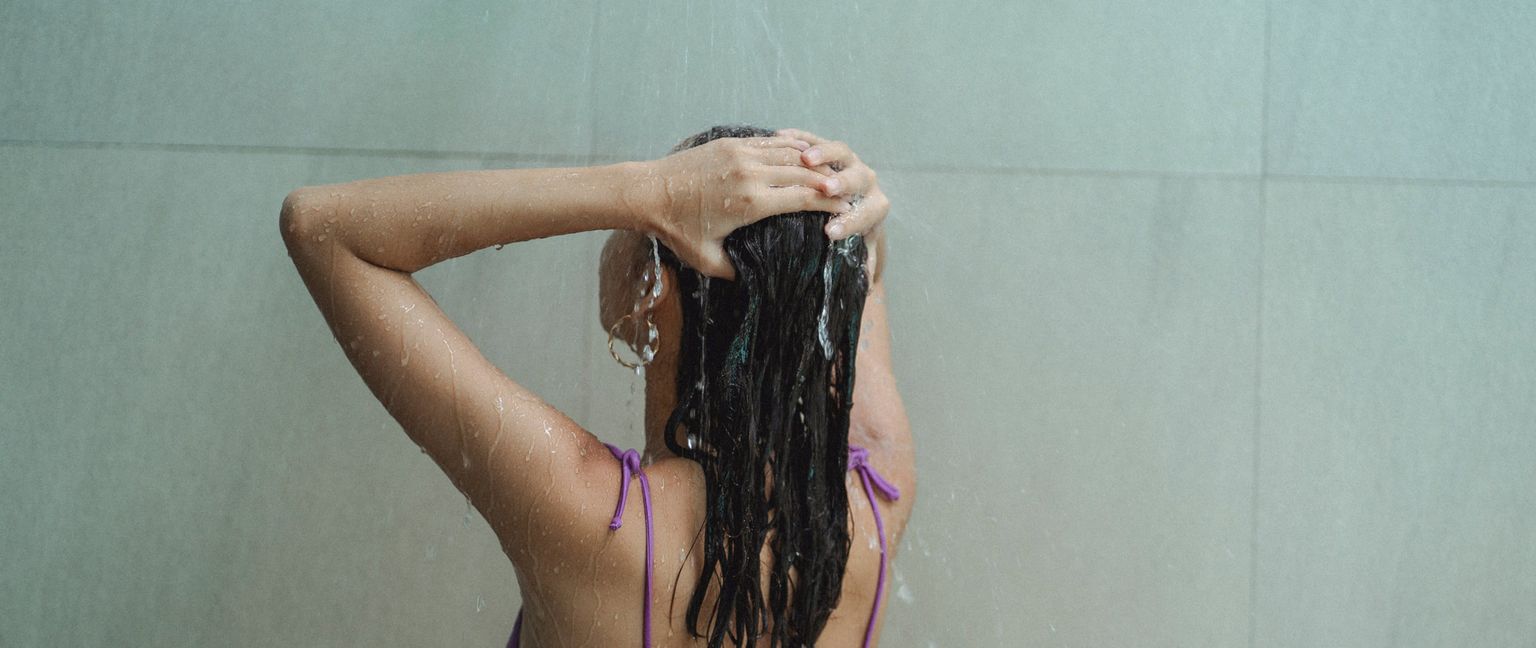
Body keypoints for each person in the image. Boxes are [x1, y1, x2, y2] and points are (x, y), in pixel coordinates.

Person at [280, 125, 915, 647]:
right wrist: (849, 215)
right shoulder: (874, 504)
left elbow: (321, 229)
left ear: (652, 288)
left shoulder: (582, 511)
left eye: (645, 224)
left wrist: (646, 189)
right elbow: (858, 284)